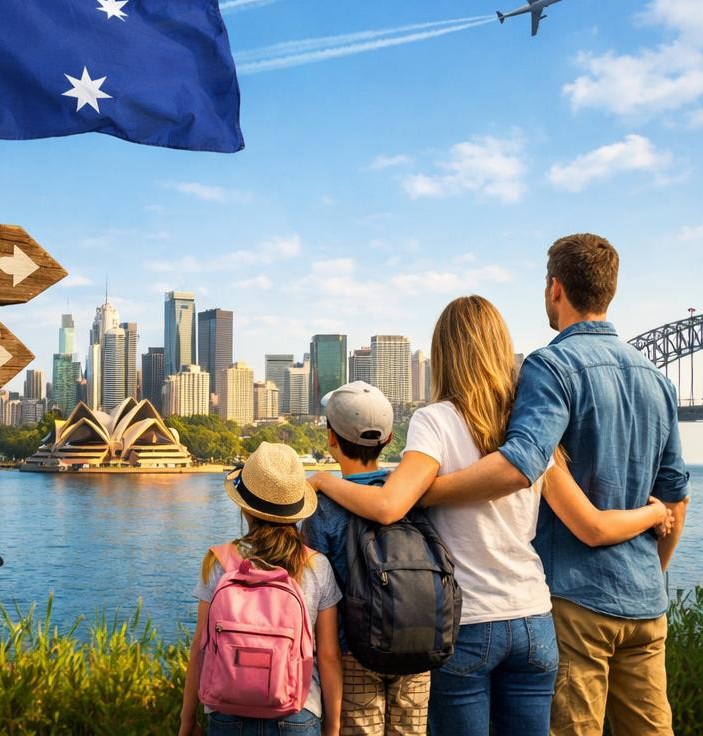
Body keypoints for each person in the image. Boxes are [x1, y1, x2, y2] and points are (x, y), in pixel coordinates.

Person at [308, 295, 672, 736]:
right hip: (534, 621)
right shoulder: (533, 432)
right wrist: (652, 513)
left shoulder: (435, 420)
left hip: (468, 625)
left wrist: (325, 482)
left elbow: (389, 506)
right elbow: (591, 524)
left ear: (444, 353)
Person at [419, 234, 690, 736]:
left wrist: (424, 490)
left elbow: (520, 464)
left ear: (555, 288)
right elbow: (676, 495)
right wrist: (649, 574)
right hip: (646, 607)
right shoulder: (657, 379)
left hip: (576, 601)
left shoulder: (552, 366)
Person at [179, 441, 343, 736]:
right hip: (299, 709)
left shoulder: (219, 561)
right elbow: (329, 655)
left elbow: (200, 649)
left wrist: (187, 720)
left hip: (227, 710)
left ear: (246, 509)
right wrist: (333, 726)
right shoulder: (316, 565)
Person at [301, 381, 430, 736]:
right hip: (416, 644)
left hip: (353, 649)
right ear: (389, 440)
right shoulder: (408, 493)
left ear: (331, 439)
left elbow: (313, 591)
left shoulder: (322, 507)